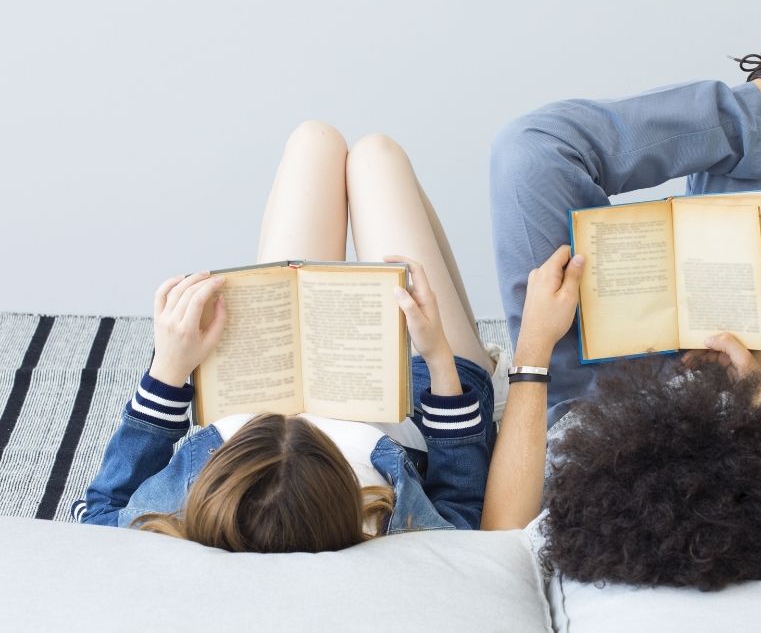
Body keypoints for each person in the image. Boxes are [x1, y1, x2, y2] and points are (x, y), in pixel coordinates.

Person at [481, 0, 761, 590]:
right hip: (737, 392)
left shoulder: (577, 543)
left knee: (530, 149)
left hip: (585, 409)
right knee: (737, 171)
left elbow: (500, 536)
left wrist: (532, 352)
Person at [73, 126, 501, 552]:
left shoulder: (168, 524)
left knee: (314, 143)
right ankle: (488, 369)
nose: (297, 418)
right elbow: (461, 505)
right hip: (425, 400)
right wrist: (438, 356)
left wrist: (168, 371)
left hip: (265, 385)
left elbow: (99, 511)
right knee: (376, 157)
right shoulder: (401, 527)